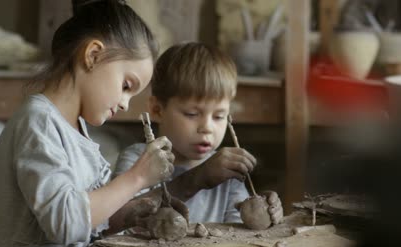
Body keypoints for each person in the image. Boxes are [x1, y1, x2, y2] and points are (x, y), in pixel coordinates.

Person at [0, 1, 185, 247]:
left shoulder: (76, 130)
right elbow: (65, 224)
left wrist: (133, 213)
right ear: (93, 55)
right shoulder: (38, 121)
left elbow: (87, 222)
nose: (125, 103)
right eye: (126, 85)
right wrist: (137, 177)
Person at [114, 42, 283, 224]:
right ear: (157, 110)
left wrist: (262, 214)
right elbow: (115, 223)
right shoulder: (138, 161)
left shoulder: (227, 171)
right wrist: (196, 179)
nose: (207, 127)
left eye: (219, 116)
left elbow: (239, 234)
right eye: (192, 114)